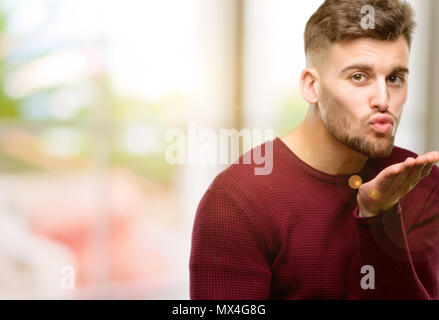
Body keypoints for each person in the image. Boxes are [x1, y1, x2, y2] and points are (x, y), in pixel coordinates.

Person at [189, 0, 439, 299]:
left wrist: (381, 215)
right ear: (311, 86)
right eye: (359, 77)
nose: (383, 100)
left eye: (395, 78)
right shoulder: (237, 200)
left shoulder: (422, 183)